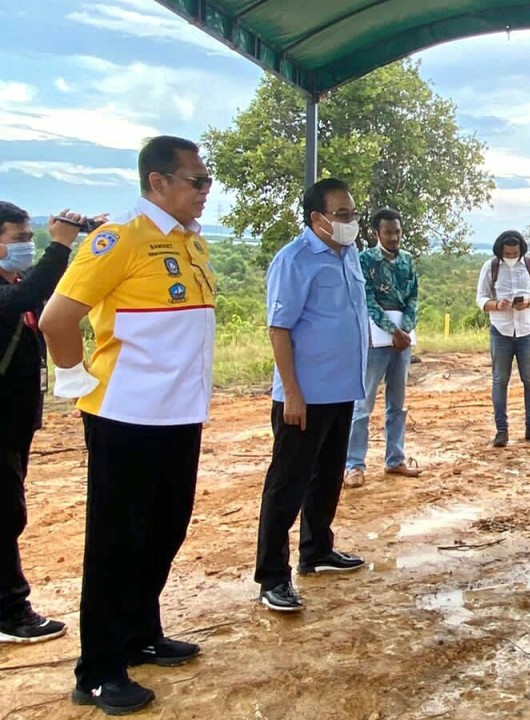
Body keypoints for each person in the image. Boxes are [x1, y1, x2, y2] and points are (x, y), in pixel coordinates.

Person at [39, 135, 217, 715]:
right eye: (196, 180)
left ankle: (140, 631)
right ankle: (98, 669)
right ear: (157, 182)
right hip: (126, 417)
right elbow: (57, 319)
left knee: (165, 529)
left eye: (207, 180)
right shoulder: (120, 241)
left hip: (178, 415)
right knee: (116, 543)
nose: (205, 190)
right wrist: (73, 381)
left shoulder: (191, 244)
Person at [254, 178, 369, 615]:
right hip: (304, 396)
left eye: (352, 213)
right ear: (317, 219)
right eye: (342, 215)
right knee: (286, 486)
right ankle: (272, 577)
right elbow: (279, 330)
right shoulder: (295, 260)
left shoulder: (349, 254)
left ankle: (317, 550)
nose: (350, 222)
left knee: (327, 478)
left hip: (341, 391)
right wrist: (293, 394)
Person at [1, 203, 100, 645]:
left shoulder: (18, 282)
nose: (25, 244)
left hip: (14, 422)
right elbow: (24, 301)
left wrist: (88, 243)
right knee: (4, 515)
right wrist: (59, 243)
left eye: (28, 236)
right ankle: (10, 611)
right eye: (17, 237)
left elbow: (57, 293)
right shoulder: (11, 292)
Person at [344, 207, 421, 487]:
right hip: (376, 338)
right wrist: (393, 330)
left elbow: (413, 295)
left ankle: (395, 459)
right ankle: (354, 465)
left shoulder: (408, 260)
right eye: (388, 232)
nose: (394, 237)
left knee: (397, 403)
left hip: (403, 339)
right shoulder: (365, 260)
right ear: (377, 233)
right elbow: (368, 299)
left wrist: (407, 328)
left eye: (398, 231)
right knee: (362, 403)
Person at [476, 230, 530, 447]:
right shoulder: (491, 267)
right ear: (500, 251)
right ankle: (502, 430)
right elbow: (480, 299)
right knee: (500, 381)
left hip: (527, 329)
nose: (511, 256)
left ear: (521, 250)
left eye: (514, 252)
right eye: (507, 253)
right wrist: (497, 305)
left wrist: (527, 303)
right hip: (501, 330)